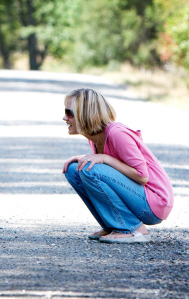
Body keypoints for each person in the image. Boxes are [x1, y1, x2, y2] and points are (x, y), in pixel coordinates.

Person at [62, 88, 173, 243]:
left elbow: (142, 176)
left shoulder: (116, 133)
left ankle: (132, 229)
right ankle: (113, 225)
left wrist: (105, 158)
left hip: (154, 202)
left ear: (84, 114)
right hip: (138, 197)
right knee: (74, 169)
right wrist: (89, 157)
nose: (64, 118)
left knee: (91, 170)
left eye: (69, 113)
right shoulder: (95, 137)